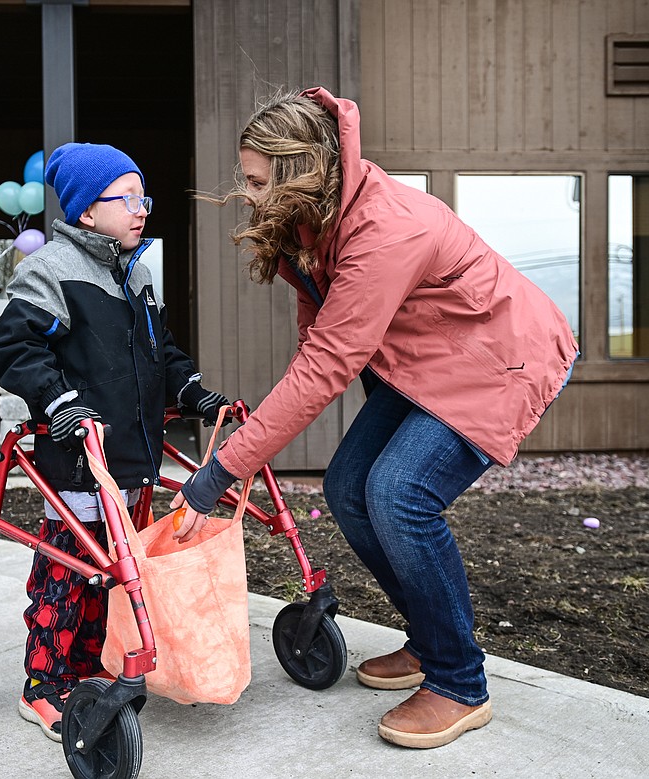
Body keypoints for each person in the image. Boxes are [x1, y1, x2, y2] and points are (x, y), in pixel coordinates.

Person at [173, 87, 579, 749]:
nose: (245, 195)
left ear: (295, 169)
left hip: (499, 355)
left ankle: (459, 680)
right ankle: (430, 639)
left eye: (254, 181)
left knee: (399, 494)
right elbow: (319, 337)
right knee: (347, 488)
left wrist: (220, 469)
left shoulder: (386, 226)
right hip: (430, 355)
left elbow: (329, 363)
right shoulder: (314, 220)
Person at [0, 142, 230, 742]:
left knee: (117, 571)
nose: (140, 209)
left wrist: (195, 391)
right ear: (86, 212)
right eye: (126, 199)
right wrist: (60, 402)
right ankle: (43, 684)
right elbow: (16, 350)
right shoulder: (51, 271)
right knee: (69, 570)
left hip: (127, 457)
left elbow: (161, 351)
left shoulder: (138, 274)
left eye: (142, 197)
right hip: (77, 459)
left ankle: (91, 664)